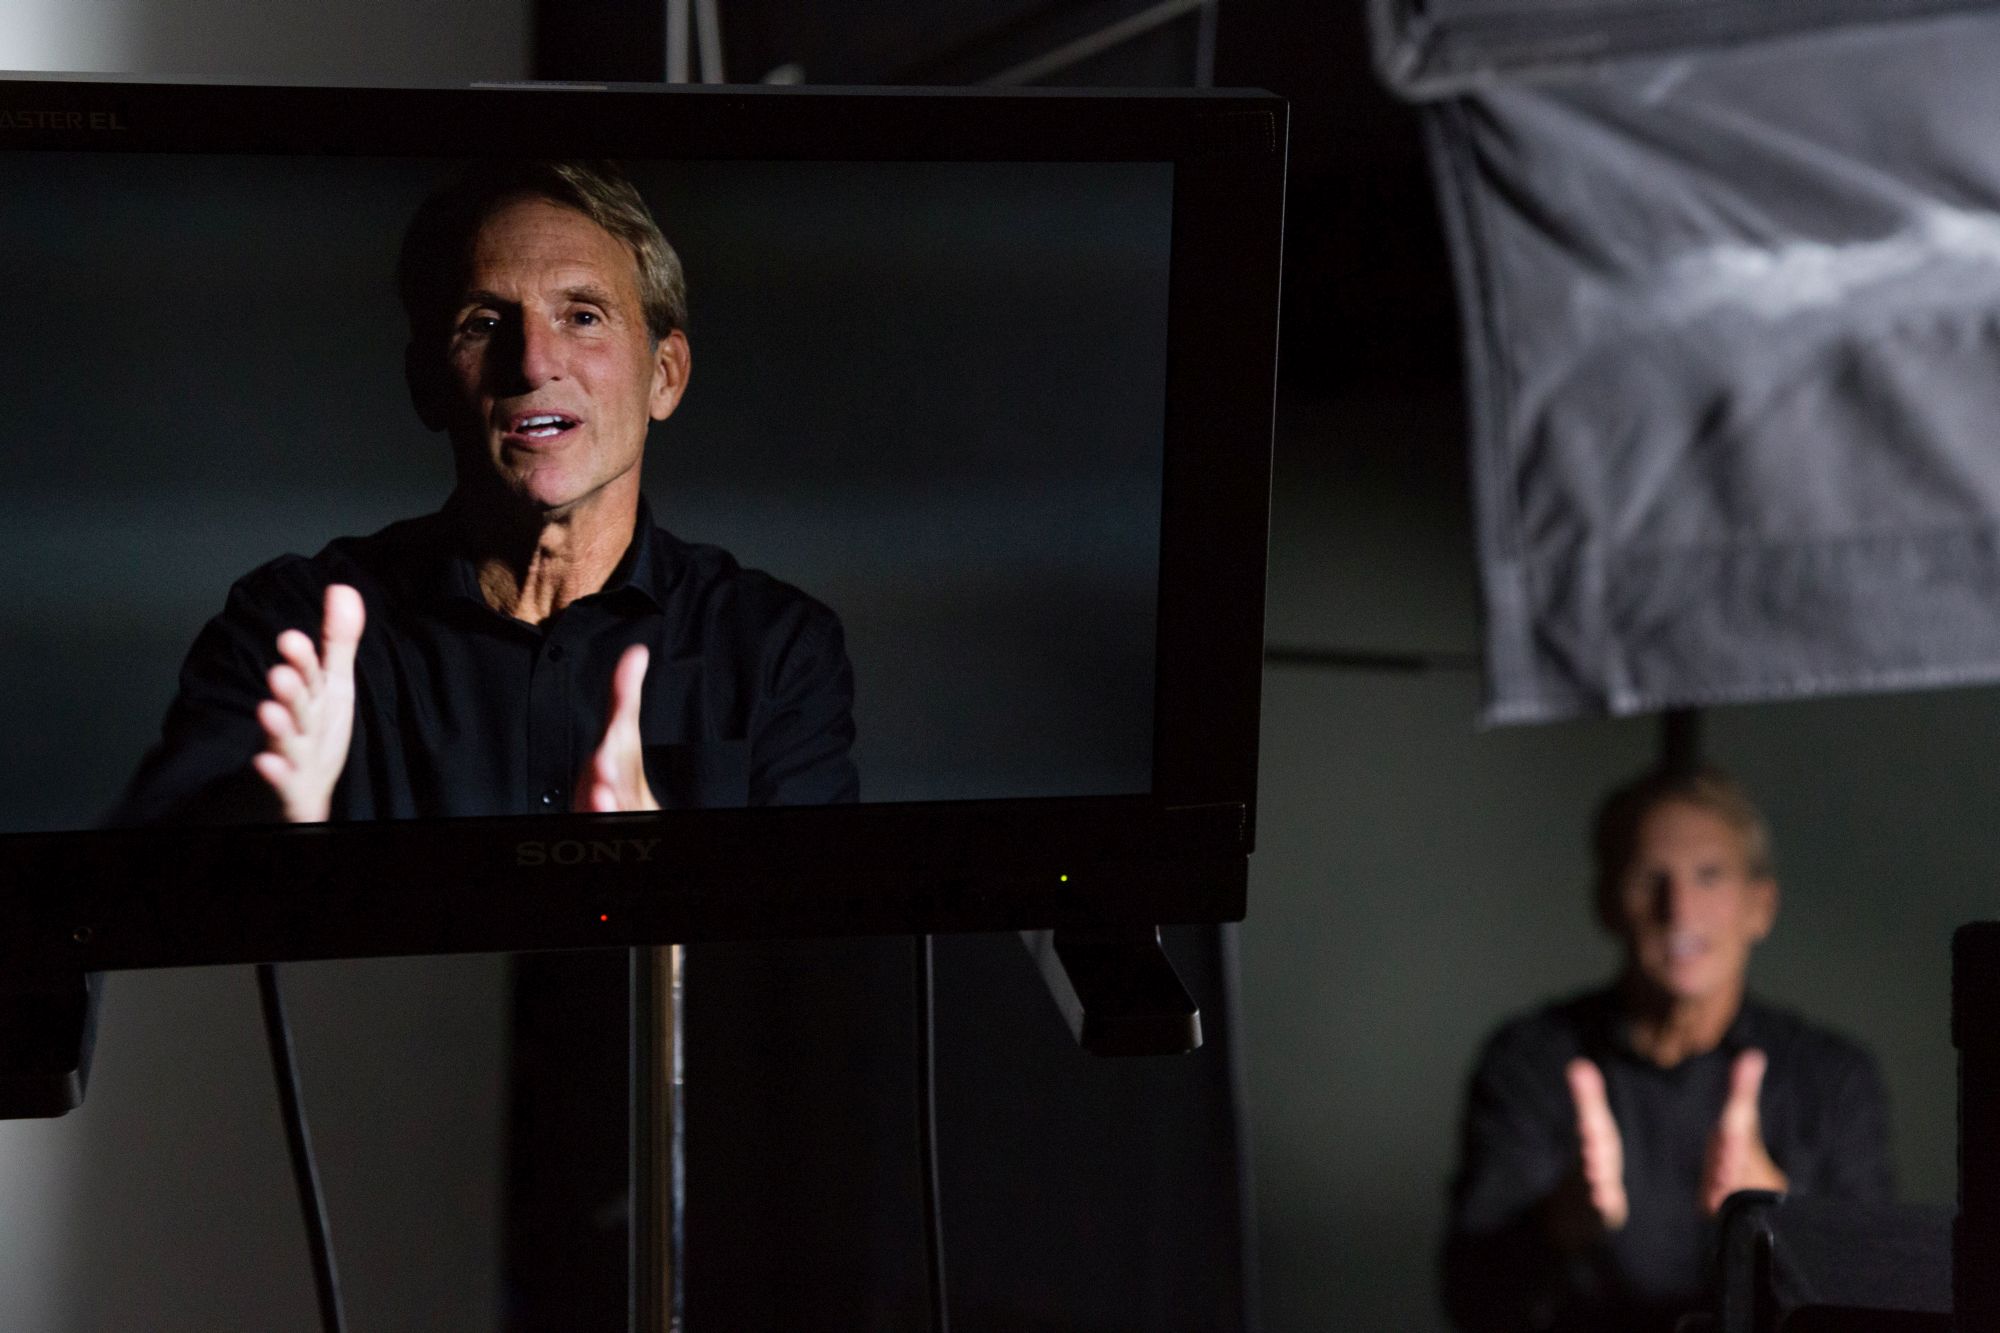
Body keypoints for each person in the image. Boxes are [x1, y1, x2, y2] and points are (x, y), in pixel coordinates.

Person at [113, 159, 857, 827]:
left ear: (665, 375)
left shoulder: (774, 648)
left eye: (583, 316)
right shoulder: (294, 627)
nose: (532, 361)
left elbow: (817, 930)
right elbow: (138, 887)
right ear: (428, 384)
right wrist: (266, 826)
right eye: (485, 323)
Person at [1442, 766, 1892, 1332]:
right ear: (1607, 902)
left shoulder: (1832, 1077)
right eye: (1650, 877)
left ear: (1761, 905)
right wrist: (1559, 1221)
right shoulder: (1529, 1062)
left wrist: (1780, 1219)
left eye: (1709, 876)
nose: (1678, 909)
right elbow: (1469, 1299)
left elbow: (1880, 1305)